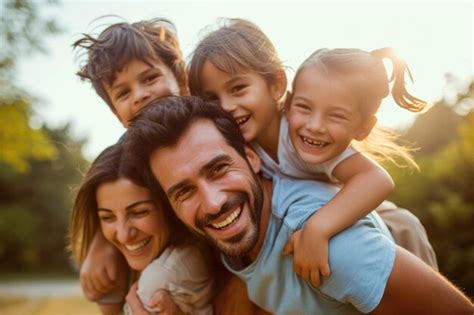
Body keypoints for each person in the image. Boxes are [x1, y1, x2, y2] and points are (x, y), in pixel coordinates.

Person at [124, 95, 473, 314]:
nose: (213, 203)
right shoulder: (227, 244)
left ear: (251, 157)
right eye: (183, 192)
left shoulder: (332, 248)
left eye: (218, 169)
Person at [187, 19, 437, 286]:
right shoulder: (239, 147)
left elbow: (376, 179)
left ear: (276, 85)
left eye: (238, 89)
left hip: (381, 222)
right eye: (212, 99)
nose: (226, 106)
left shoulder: (303, 134)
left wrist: (318, 229)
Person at [73, 18, 266, 315]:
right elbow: (115, 198)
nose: (139, 95)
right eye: (123, 93)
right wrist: (101, 243)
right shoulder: (126, 156)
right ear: (115, 111)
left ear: (182, 80)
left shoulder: (215, 126)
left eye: (150, 79)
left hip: (239, 261)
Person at [69, 142, 215, 314]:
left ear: (169, 206)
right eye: (107, 217)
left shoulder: (158, 281)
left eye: (139, 212)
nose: (123, 236)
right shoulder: (145, 263)